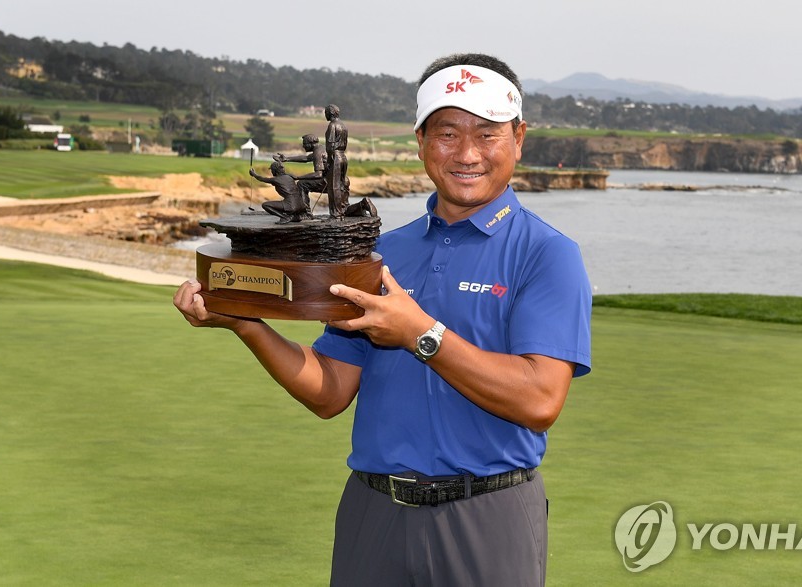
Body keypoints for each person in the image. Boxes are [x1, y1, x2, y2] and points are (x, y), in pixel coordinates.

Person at [173, 53, 592, 586]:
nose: (467, 154)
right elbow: (329, 391)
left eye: (487, 134)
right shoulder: (378, 253)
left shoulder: (547, 254)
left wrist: (419, 333)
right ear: (420, 140)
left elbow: (540, 400)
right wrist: (246, 325)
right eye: (447, 133)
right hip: (374, 511)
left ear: (518, 138)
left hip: (488, 513)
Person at [249, 133, 323, 223]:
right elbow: (306, 158)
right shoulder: (288, 176)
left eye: (304, 144)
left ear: (310, 143)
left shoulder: (276, 179)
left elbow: (319, 173)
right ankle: (301, 213)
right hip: (300, 205)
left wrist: (254, 174)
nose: (303, 146)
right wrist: (287, 158)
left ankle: (295, 215)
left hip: (292, 205)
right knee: (300, 184)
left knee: (301, 184)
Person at [323, 103, 350, 218]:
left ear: (332, 113)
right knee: (342, 185)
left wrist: (328, 162)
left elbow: (330, 146)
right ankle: (343, 209)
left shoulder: (332, 125)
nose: (325, 115)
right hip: (343, 156)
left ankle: (336, 214)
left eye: (326, 112)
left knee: (334, 186)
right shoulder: (343, 125)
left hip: (335, 157)